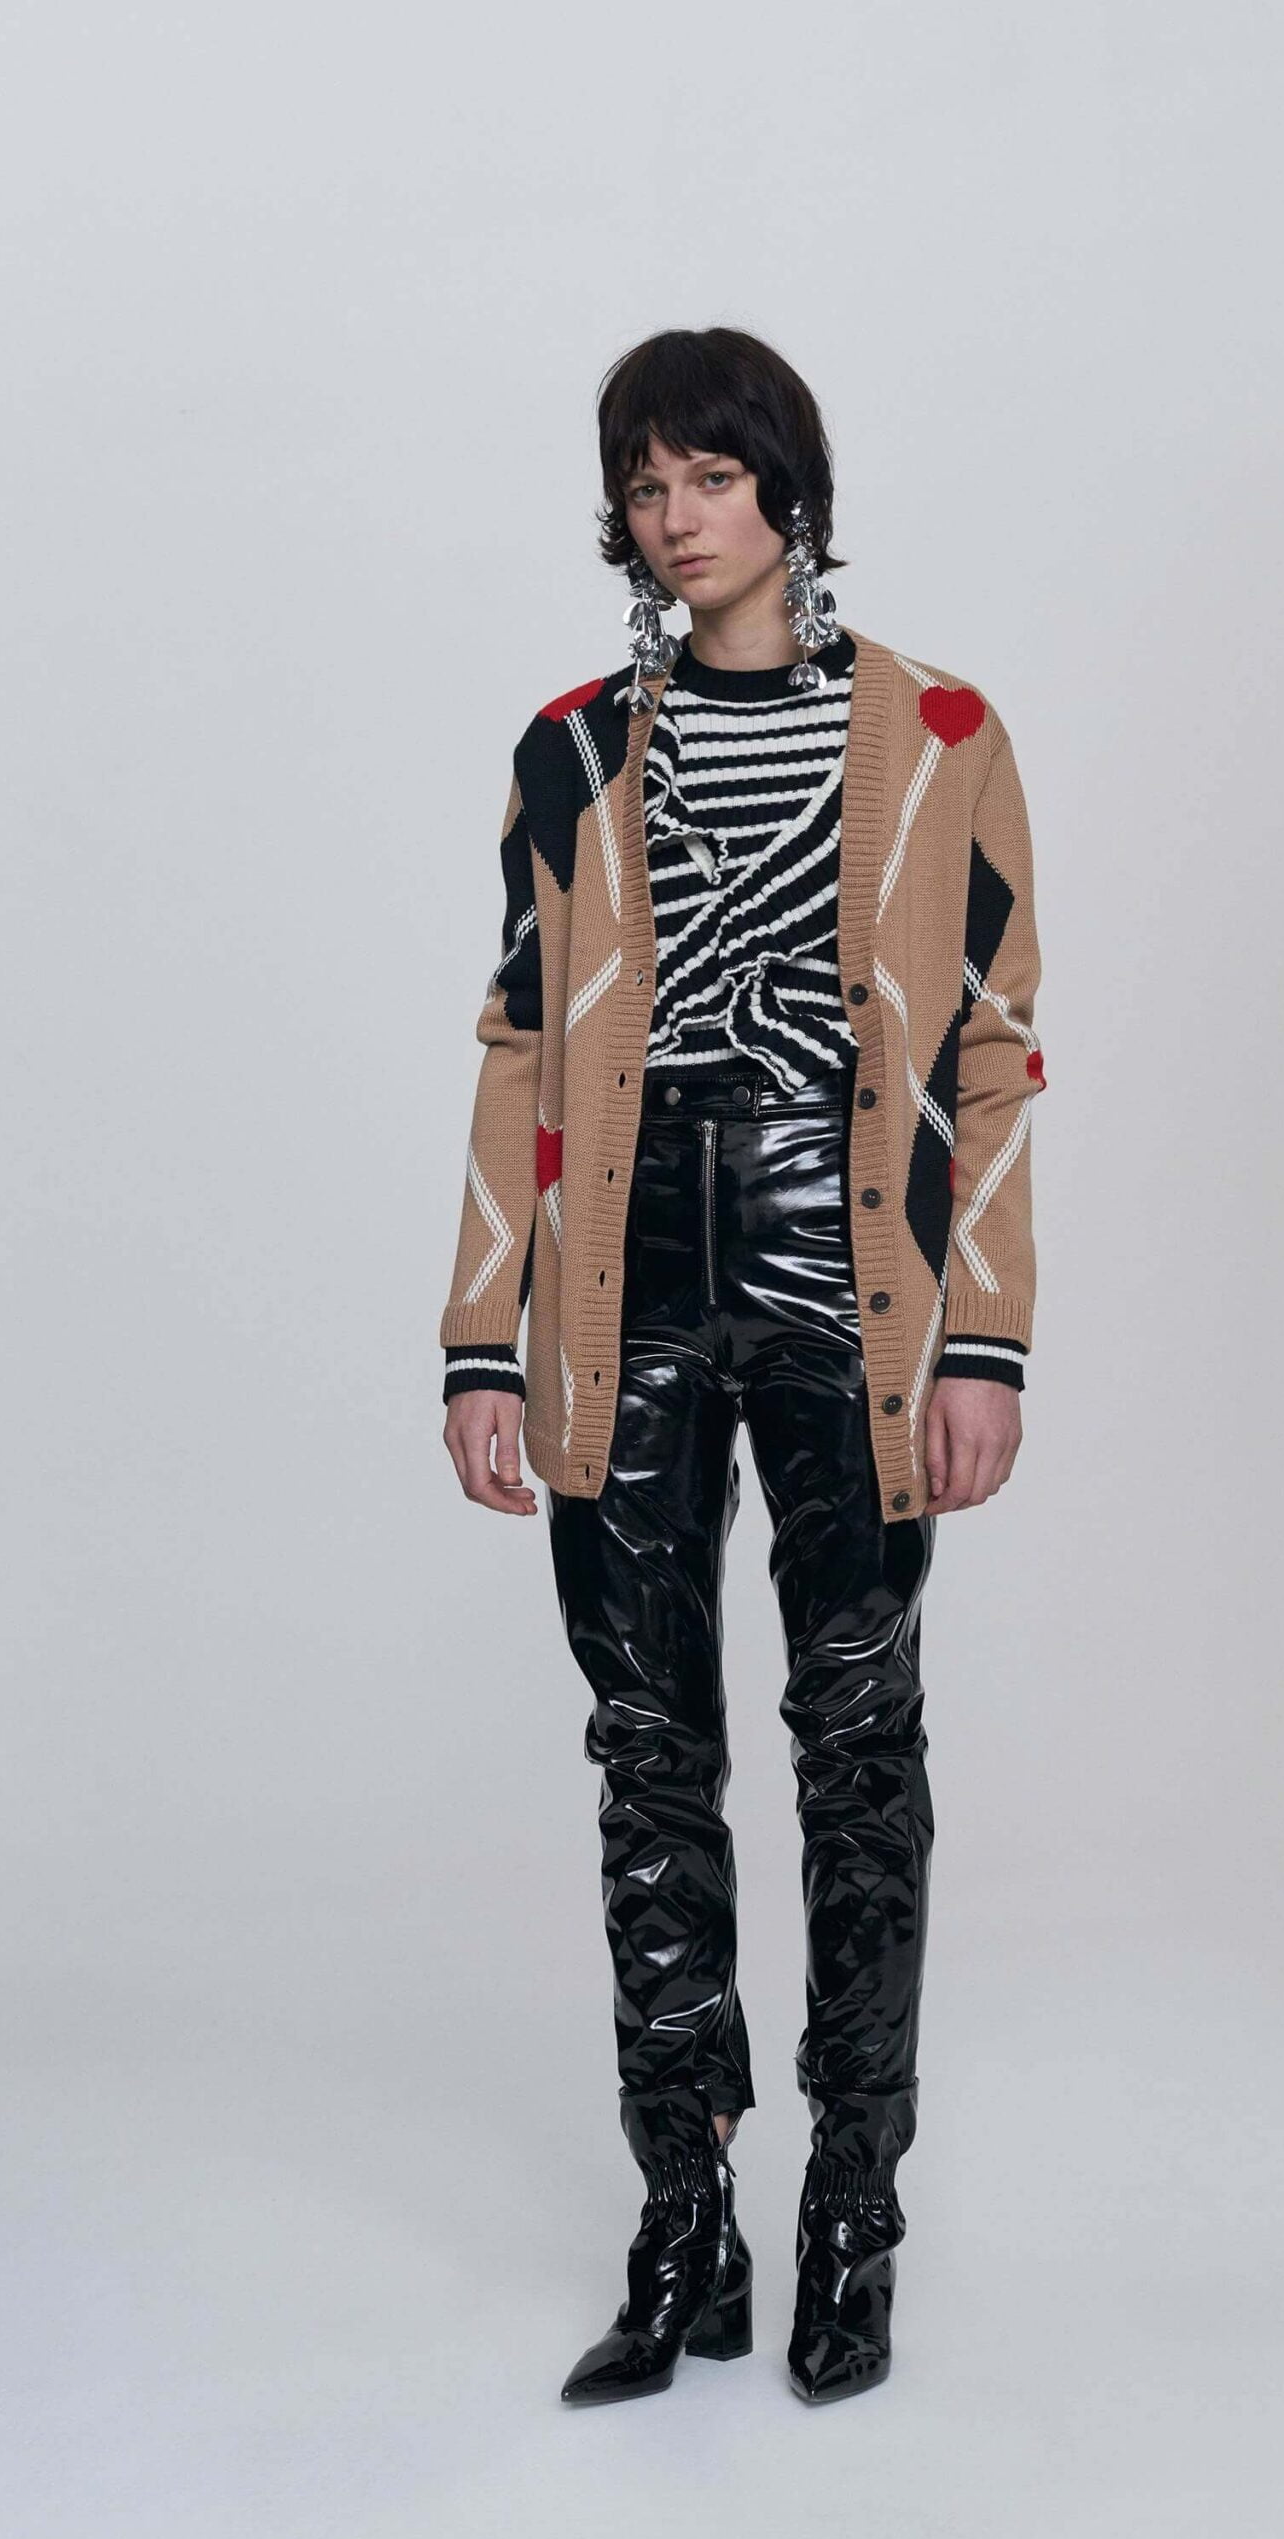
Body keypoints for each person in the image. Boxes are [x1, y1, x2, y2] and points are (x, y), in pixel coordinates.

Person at [440, 326, 1046, 2405]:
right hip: (619, 1263)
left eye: (709, 474)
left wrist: (983, 1338)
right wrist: (483, 1339)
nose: (675, 514)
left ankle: (850, 2205)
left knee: (858, 1735)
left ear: (789, 492)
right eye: (643, 482)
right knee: (645, 1743)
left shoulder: (939, 732)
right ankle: (683, 2213)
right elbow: (519, 1041)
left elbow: (992, 1046)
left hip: (839, 1258)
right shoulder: (570, 749)